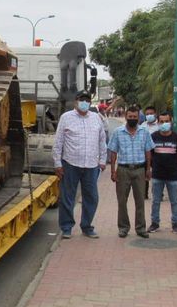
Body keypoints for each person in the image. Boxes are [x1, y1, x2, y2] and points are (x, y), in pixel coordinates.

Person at [52, 91, 108, 239]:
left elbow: (102, 141)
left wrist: (103, 160)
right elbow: (58, 142)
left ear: (90, 102)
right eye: (82, 99)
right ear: (76, 101)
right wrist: (57, 163)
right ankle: (66, 227)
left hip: (91, 165)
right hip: (70, 163)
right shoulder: (66, 117)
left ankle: (87, 226)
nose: (84, 102)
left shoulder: (96, 118)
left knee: (92, 197)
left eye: (87, 100)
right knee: (67, 197)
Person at [108, 106, 155, 238]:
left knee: (140, 200)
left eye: (135, 117)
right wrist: (113, 171)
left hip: (140, 170)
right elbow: (113, 152)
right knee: (122, 200)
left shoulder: (144, 132)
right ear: (126, 117)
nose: (132, 119)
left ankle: (140, 228)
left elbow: (148, 151)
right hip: (123, 170)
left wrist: (148, 169)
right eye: (130, 116)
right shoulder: (118, 132)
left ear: (139, 118)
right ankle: (123, 228)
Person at [148, 112, 177, 233]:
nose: (164, 124)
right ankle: (154, 223)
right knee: (156, 201)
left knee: (175, 201)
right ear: (158, 123)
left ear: (171, 121)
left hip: (173, 175)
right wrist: (151, 168)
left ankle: (175, 224)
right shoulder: (153, 137)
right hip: (157, 174)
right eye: (162, 121)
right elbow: (150, 154)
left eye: (167, 121)